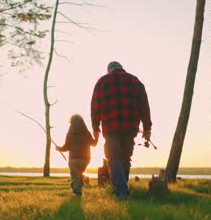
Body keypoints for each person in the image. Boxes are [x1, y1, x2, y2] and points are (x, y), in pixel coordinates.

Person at [91, 61, 152, 198]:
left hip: (110, 127)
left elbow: (95, 108)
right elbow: (144, 107)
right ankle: (120, 189)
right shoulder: (135, 81)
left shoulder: (102, 82)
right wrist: (147, 128)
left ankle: (122, 192)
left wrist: (95, 128)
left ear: (109, 70)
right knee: (125, 158)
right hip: (130, 128)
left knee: (113, 159)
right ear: (121, 68)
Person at [57, 114, 97, 196]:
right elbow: (94, 144)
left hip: (73, 159)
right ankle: (78, 186)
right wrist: (97, 137)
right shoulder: (87, 132)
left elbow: (66, 147)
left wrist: (59, 148)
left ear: (71, 123)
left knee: (75, 176)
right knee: (78, 175)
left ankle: (77, 190)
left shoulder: (70, 134)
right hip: (85, 160)